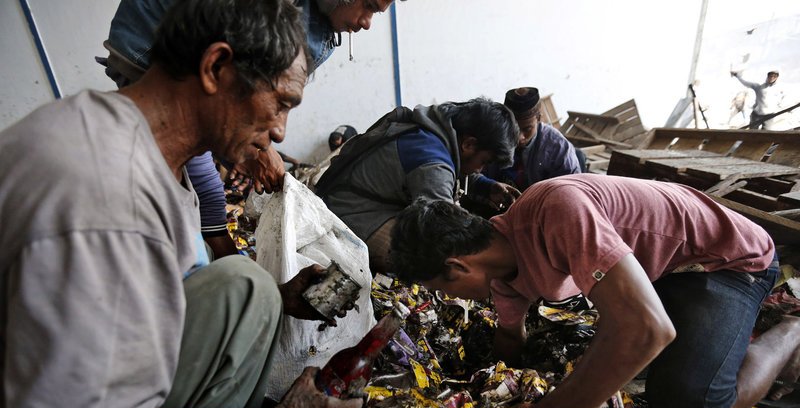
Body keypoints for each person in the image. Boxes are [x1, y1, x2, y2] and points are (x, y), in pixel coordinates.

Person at [0, 2, 364, 408]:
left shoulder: (128, 138)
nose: (280, 131)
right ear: (216, 67)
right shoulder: (106, 201)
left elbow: (144, 291)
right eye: (281, 103)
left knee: (248, 289)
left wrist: (281, 297)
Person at [389, 173, 800, 408]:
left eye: (444, 289)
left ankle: (790, 329)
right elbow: (510, 338)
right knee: (618, 353)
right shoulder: (502, 274)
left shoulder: (557, 210)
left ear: (457, 266)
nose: (451, 298)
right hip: (666, 273)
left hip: (728, 261)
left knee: (695, 400)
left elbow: (649, 329)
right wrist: (485, 393)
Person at [100, 0, 396, 259]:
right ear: (215, 67)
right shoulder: (106, 178)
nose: (367, 23)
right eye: (369, 5)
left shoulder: (314, 25)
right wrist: (259, 150)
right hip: (148, 54)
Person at [315, 98, 521, 272]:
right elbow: (442, 225)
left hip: (345, 196)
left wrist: (485, 187)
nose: (480, 170)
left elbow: (444, 170)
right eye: (484, 162)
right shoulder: (431, 160)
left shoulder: (433, 130)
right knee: (429, 258)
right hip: (348, 214)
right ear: (468, 144)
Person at [474, 87, 580, 192]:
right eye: (514, 129)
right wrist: (488, 186)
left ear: (539, 118)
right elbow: (472, 174)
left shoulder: (558, 148)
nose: (519, 137)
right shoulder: (492, 137)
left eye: (527, 129)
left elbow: (570, 191)